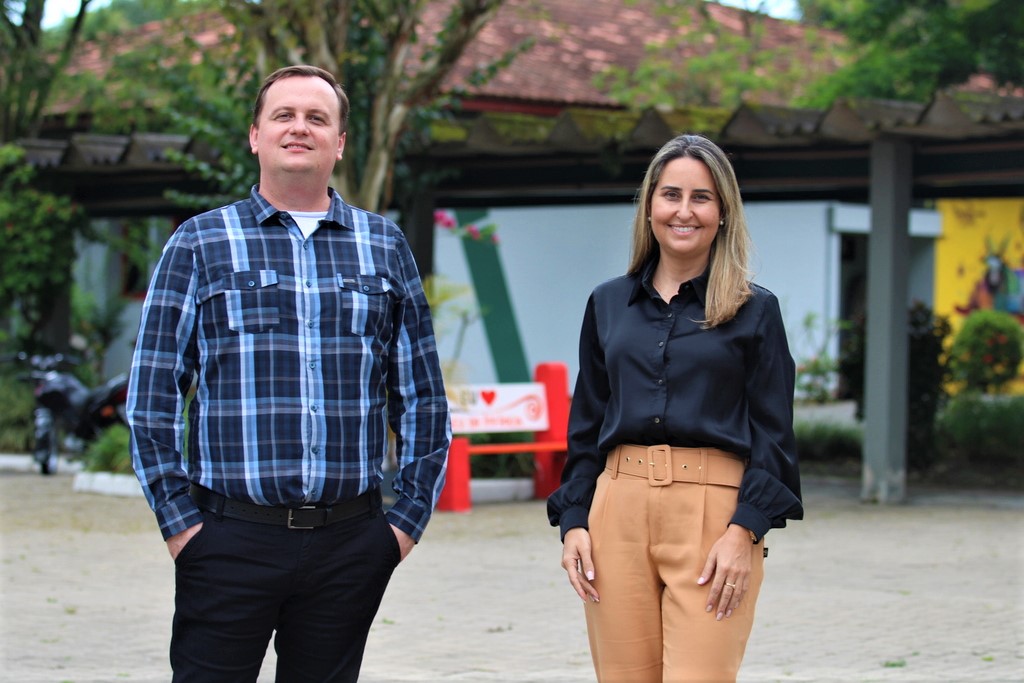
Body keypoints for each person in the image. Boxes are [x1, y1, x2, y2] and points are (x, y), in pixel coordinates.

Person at [127, 65, 450, 682]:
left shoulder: (384, 246)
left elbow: (422, 397)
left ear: (339, 142)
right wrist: (181, 526)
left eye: (316, 118)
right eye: (284, 115)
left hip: (351, 545)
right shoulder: (198, 243)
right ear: (256, 135)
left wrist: (403, 524)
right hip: (226, 540)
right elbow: (152, 395)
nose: (300, 128)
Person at [547, 134, 803, 682]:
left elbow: (774, 435)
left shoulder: (755, 310)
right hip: (616, 513)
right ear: (649, 206)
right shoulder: (607, 303)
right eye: (671, 195)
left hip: (714, 519)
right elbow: (587, 422)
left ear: (723, 212)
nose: (684, 211)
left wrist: (744, 531)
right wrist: (574, 521)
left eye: (701, 198)